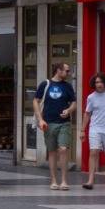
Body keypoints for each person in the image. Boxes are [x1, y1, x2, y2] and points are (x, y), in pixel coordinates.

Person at [35, 61, 79, 190]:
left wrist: (69, 110)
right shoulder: (45, 84)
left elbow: (74, 103)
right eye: (67, 70)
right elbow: (36, 101)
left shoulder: (67, 86)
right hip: (48, 123)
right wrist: (40, 119)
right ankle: (54, 180)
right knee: (52, 152)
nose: (68, 73)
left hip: (64, 123)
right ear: (58, 71)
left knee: (63, 149)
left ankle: (64, 181)